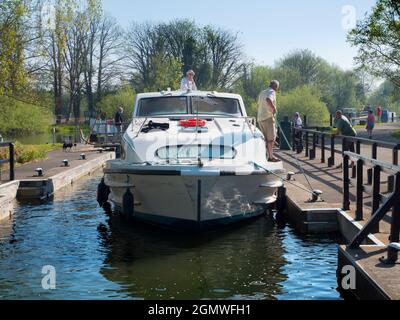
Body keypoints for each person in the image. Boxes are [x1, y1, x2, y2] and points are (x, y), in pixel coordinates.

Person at [257, 80, 280, 162]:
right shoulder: (272, 92)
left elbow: (258, 105)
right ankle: (271, 157)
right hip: (268, 118)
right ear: (275, 86)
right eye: (277, 87)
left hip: (260, 118)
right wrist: (273, 109)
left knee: (264, 139)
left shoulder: (262, 92)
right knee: (271, 139)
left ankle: (264, 155)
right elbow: (268, 99)